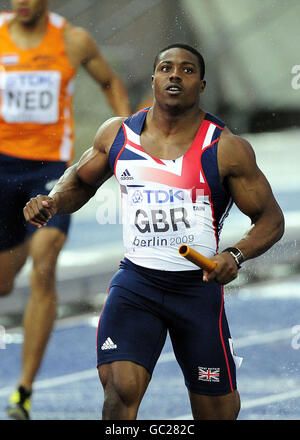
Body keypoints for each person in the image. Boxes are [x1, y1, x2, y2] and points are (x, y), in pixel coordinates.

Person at [24, 43, 285, 420]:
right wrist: (51, 201)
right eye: (166, 68)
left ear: (202, 84)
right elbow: (80, 184)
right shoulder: (118, 136)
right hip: (136, 285)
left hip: (196, 292)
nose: (175, 75)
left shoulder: (226, 149)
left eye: (186, 70)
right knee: (119, 393)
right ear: (154, 79)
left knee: (217, 414)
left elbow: (271, 220)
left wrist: (235, 255)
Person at [0, 0, 131, 420]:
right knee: (3, 282)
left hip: (49, 172)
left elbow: (109, 81)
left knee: (44, 266)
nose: (19, 2)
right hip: (1, 167)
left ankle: (22, 391)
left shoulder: (72, 40)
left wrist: (127, 135)